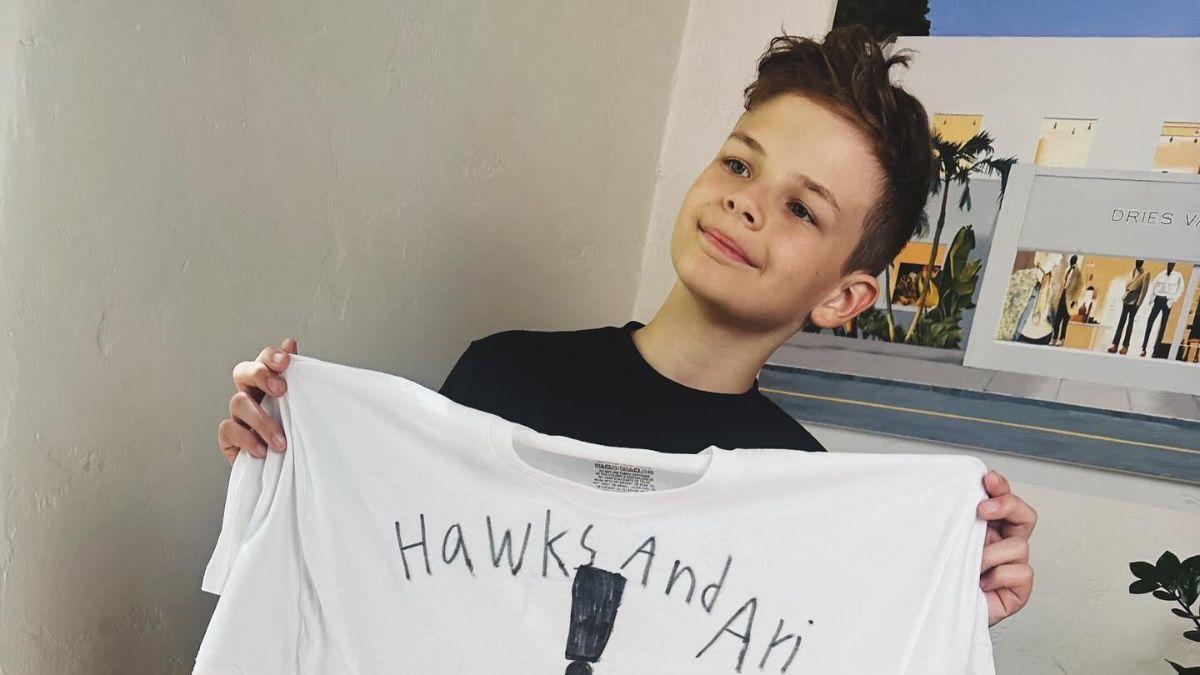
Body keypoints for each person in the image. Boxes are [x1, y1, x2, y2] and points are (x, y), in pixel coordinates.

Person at [215, 25, 1036, 627]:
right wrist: (289, 463)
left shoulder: (809, 498)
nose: (746, 200)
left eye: (800, 208)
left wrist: (948, 607)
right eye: (739, 162)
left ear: (844, 299)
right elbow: (370, 582)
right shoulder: (502, 375)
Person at [1108, 259, 1149, 355]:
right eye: (1136, 261)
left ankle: (1125, 346)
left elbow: (1144, 290)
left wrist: (1139, 303)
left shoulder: (1146, 274)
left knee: (1130, 323)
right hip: (1126, 299)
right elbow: (1128, 284)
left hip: (1135, 302)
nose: (1137, 263)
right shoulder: (1132, 271)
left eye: (1140, 262)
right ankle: (1115, 344)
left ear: (1143, 263)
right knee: (1121, 322)